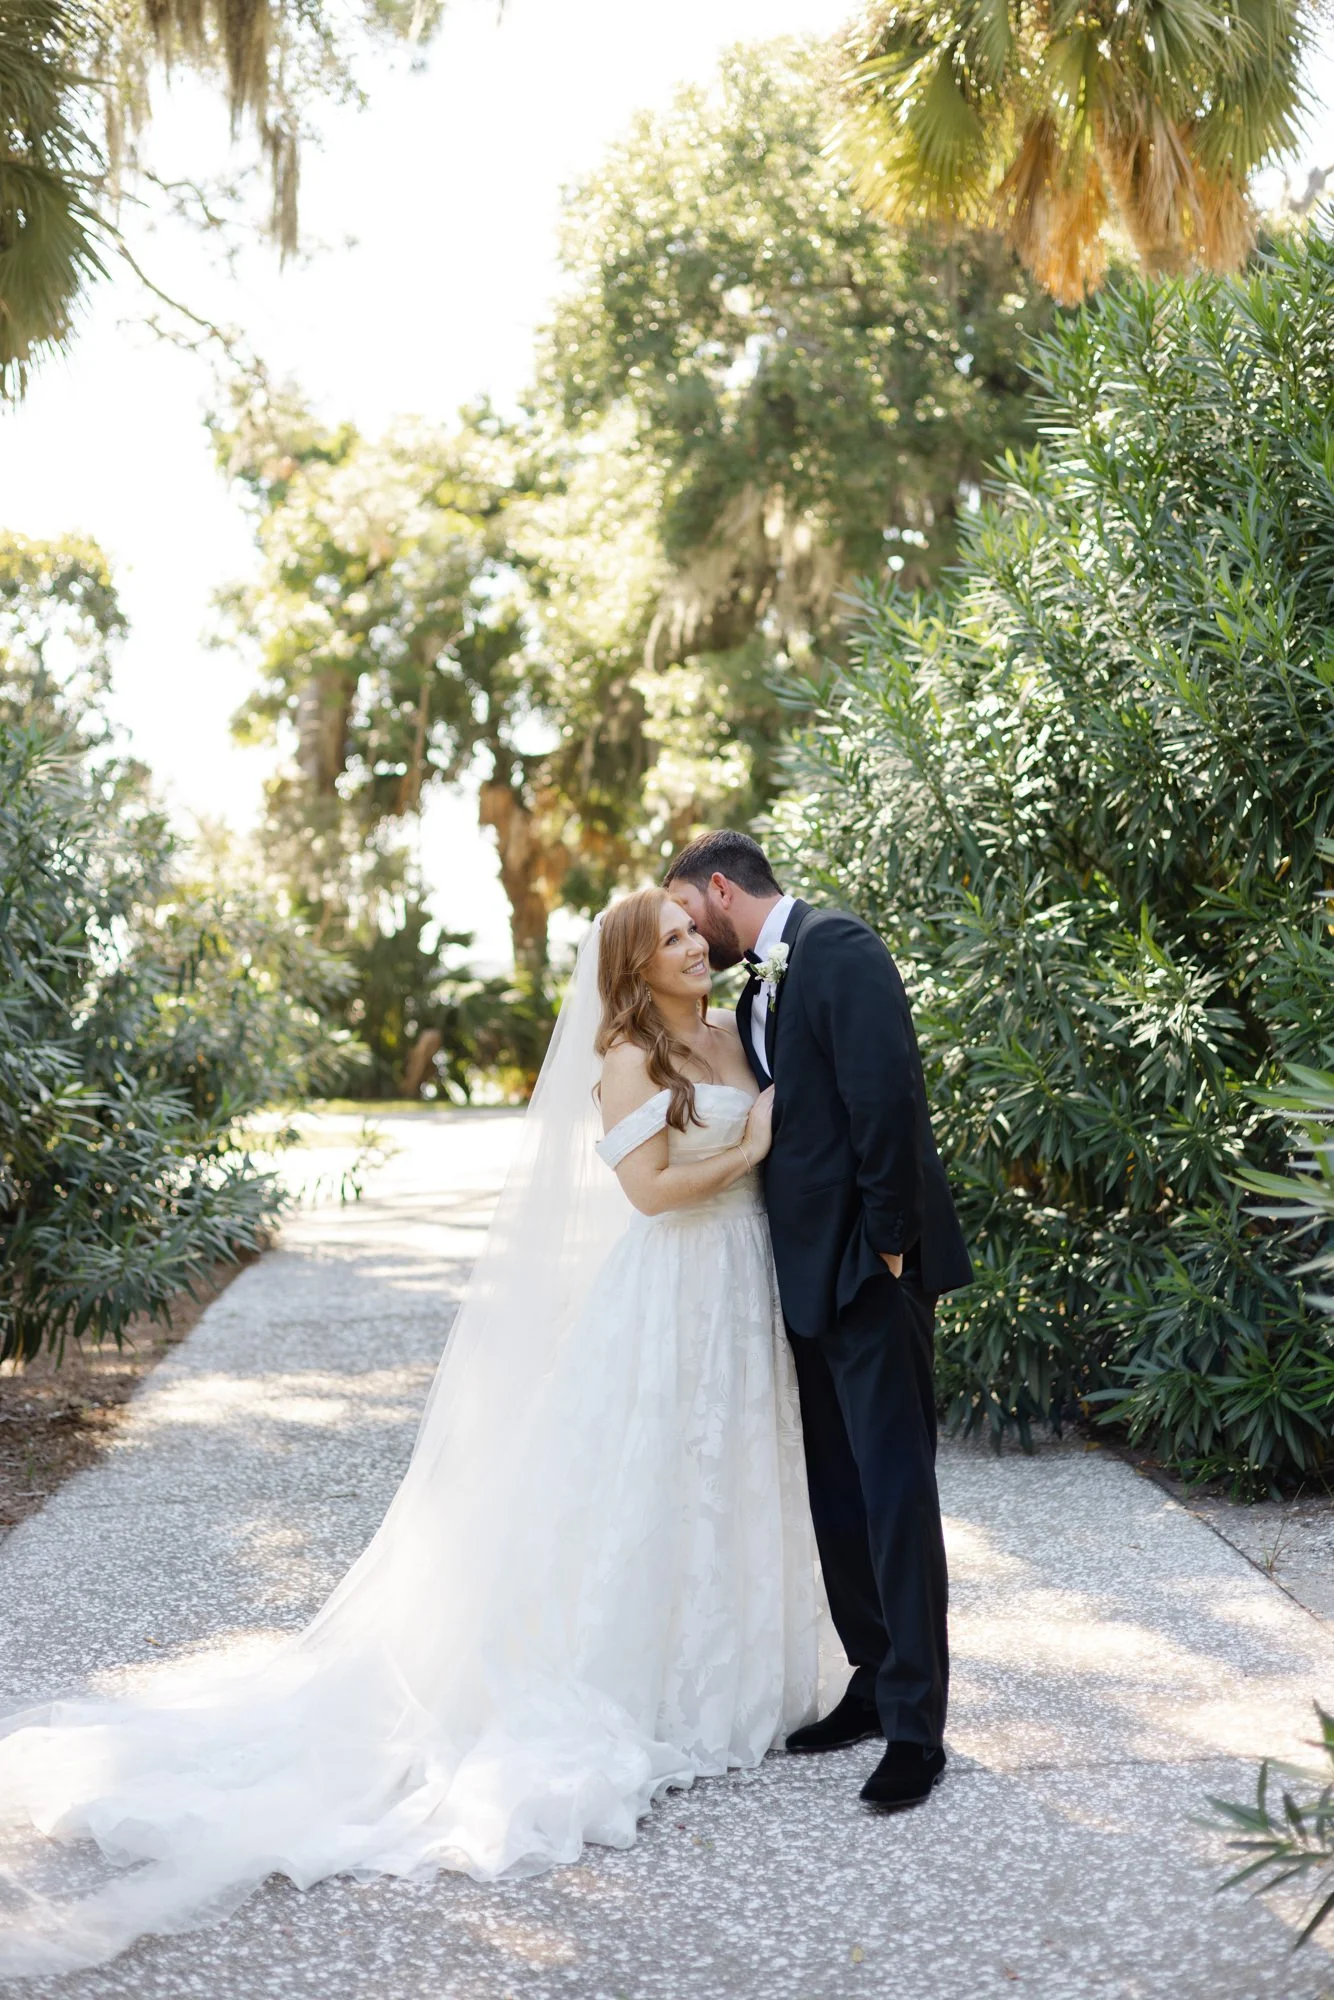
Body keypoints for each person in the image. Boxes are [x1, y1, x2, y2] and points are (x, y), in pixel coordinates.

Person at [0, 890, 819, 1978]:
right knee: (646, 1475)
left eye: (692, 931)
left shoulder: (728, 1034)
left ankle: (729, 1669)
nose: (695, 947)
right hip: (670, 1283)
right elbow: (648, 1193)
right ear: (633, 965)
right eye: (671, 937)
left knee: (722, 1471)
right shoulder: (625, 1056)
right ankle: (646, 1680)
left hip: (738, 1291)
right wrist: (751, 1144)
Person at [664, 831, 973, 1812]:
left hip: (865, 1271)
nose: (688, 936)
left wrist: (886, 1246)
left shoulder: (837, 947)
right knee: (835, 1491)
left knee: (892, 1493)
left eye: (685, 912)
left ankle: (917, 1727)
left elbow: (885, 1097)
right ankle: (872, 1679)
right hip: (799, 1278)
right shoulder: (756, 984)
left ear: (721, 888)